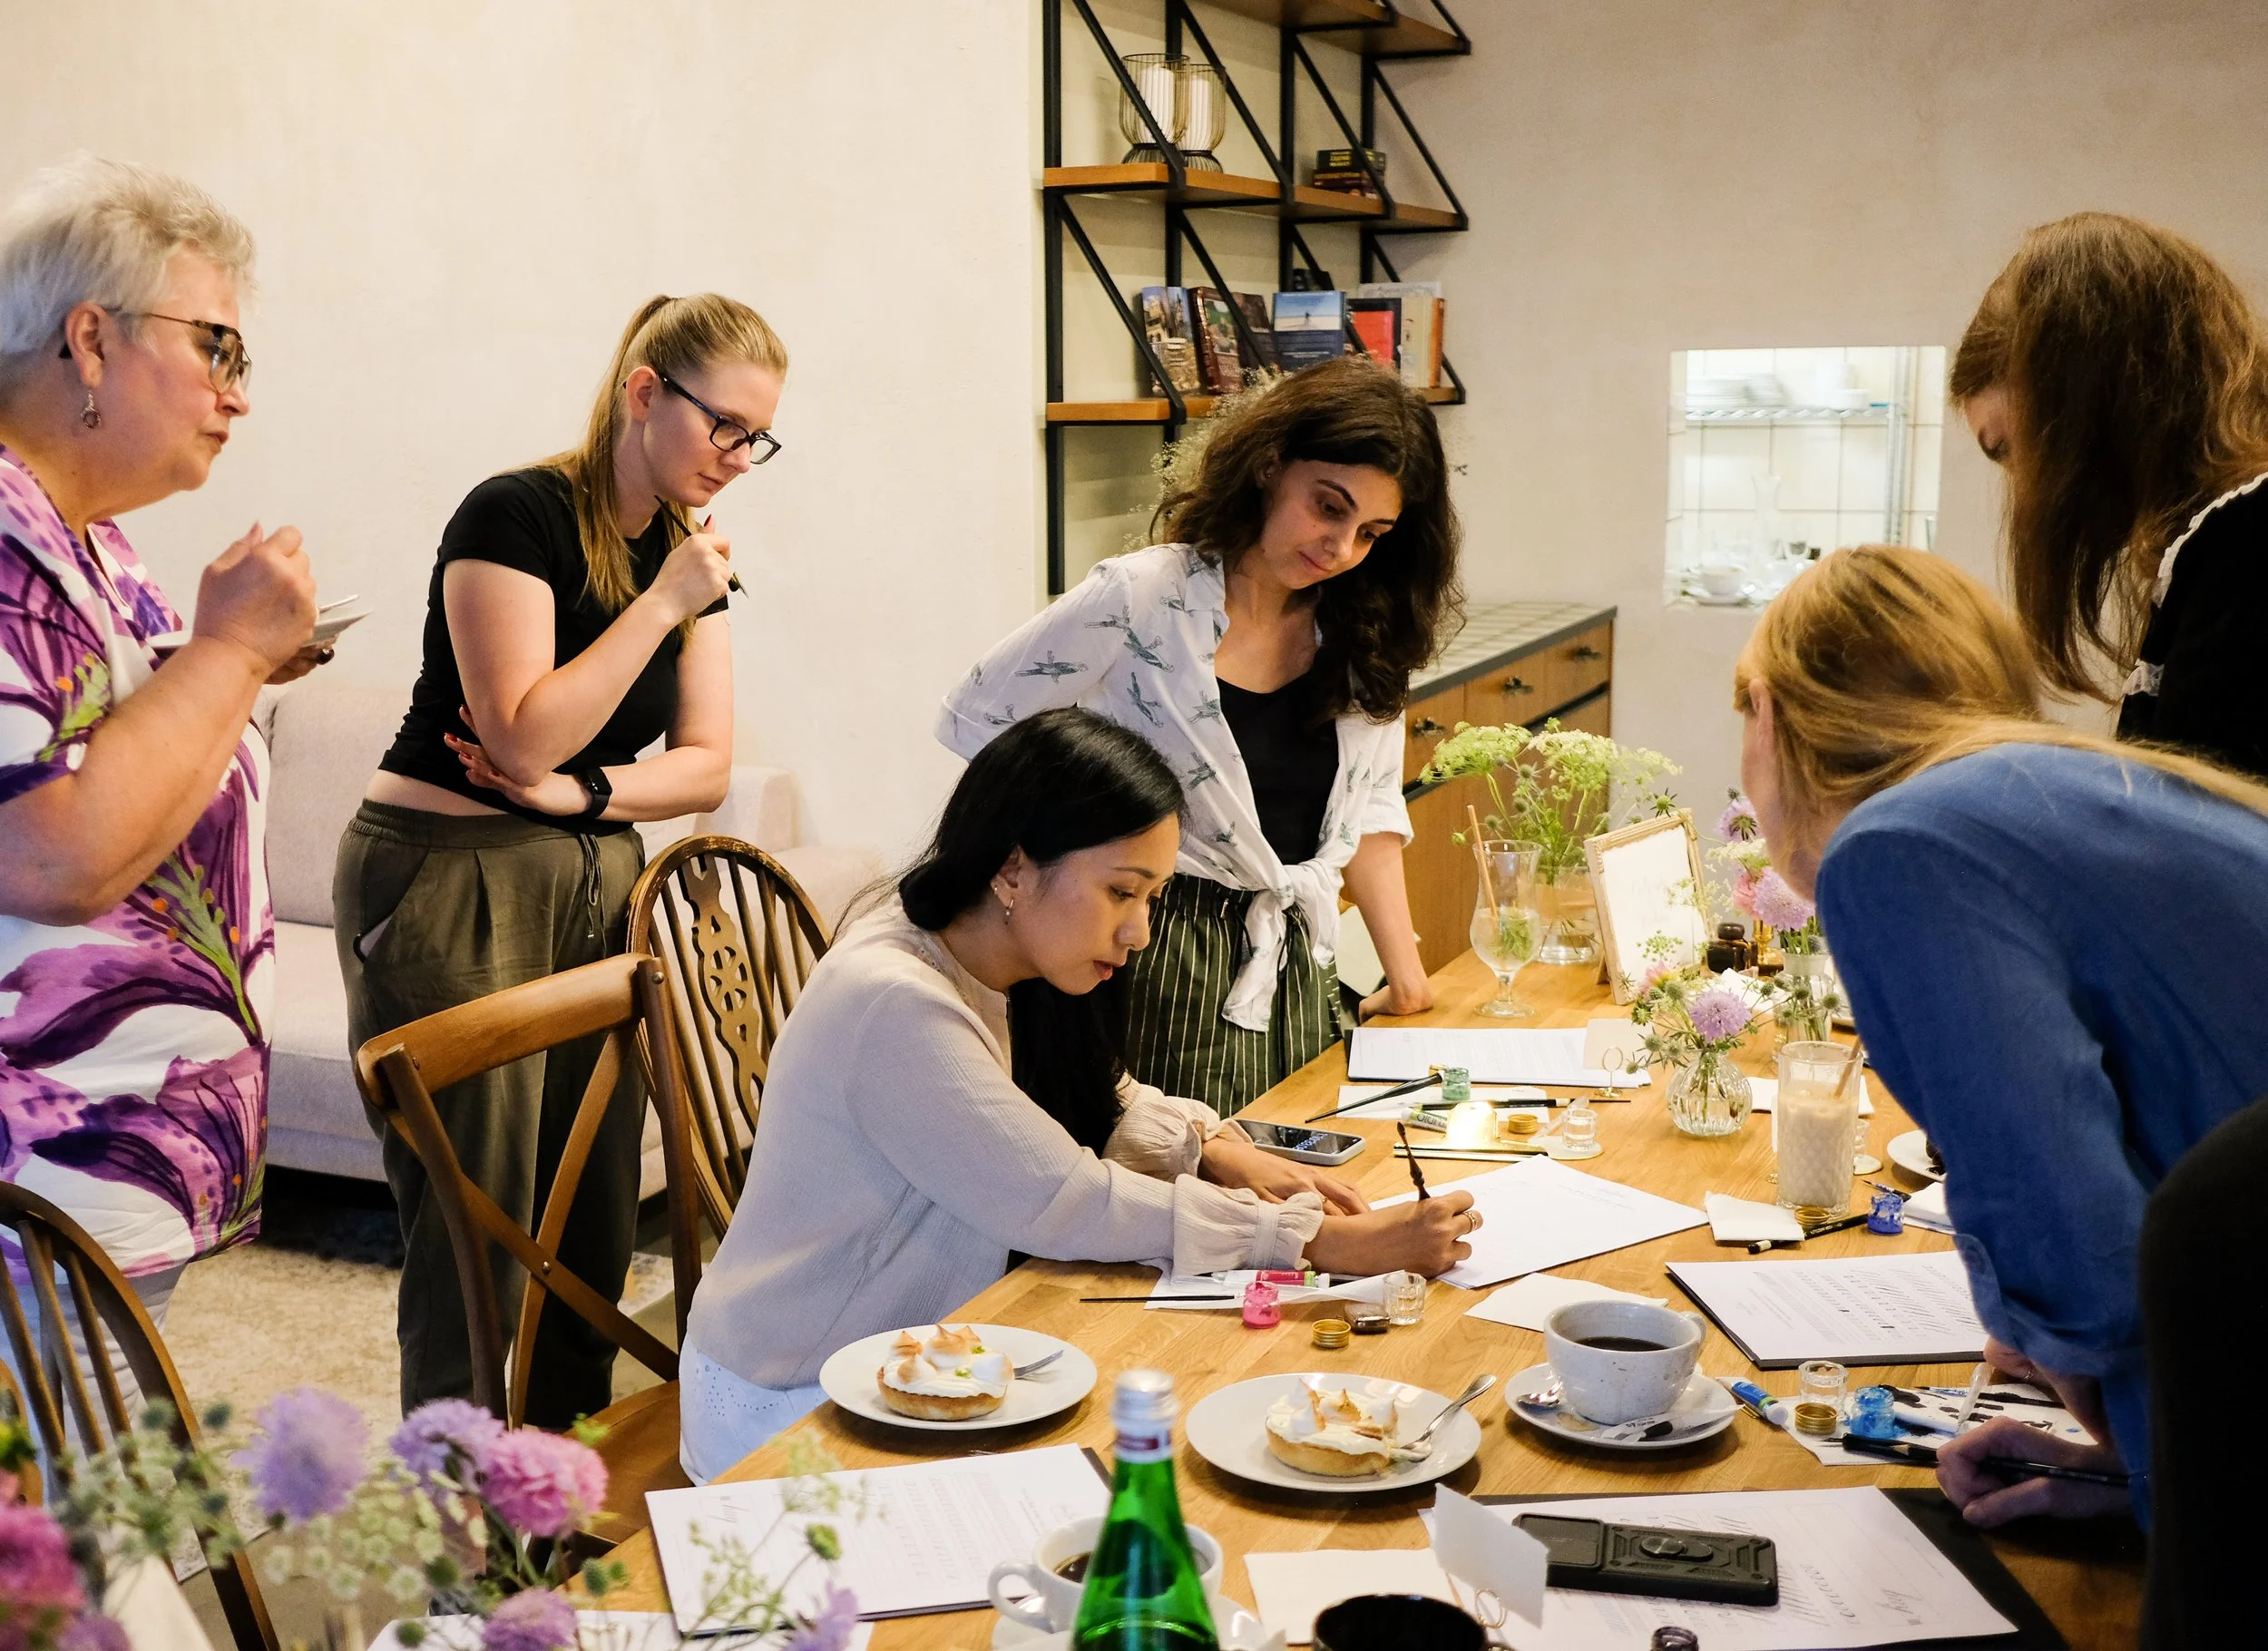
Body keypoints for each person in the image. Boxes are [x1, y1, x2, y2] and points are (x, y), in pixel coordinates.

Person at [677, 708, 1479, 1481]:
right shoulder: (895, 997)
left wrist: (1216, 1152)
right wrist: (1319, 1243)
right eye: (1122, 892)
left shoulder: (1004, 954)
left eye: (1153, 897)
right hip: (794, 1398)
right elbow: (1062, 1199)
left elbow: (1101, 1095)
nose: (1140, 930)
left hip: (927, 1366)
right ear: (1014, 868)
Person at [1731, 543, 2268, 1531]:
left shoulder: (1898, 846)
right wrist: (2131, 1476)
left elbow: (2074, 1250)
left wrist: (2056, 1337)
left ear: (1766, 713)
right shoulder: (2091, 787)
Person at [336, 293, 784, 1427]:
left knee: (588, 1223)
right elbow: (520, 731)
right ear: (644, 392)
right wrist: (663, 604)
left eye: (756, 436)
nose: (737, 457)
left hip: (593, 877)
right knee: (477, 1229)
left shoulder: (690, 553)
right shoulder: (517, 512)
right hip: (449, 874)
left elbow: (704, 768)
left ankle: (566, 1498)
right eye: (722, 426)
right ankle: (460, 1537)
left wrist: (578, 793)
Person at [0, 157, 322, 1396]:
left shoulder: (91, 540)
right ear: (90, 338)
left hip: (110, 1170)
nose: (238, 394)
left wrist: (225, 667)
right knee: (58, 1556)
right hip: (40, 1178)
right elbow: (53, 854)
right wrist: (233, 648)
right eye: (218, 348)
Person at [940, 357, 1461, 1116]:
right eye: (1327, 507)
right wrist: (1055, 871)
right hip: (1150, 947)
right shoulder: (1145, 597)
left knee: (1293, 1193)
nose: (1341, 548)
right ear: (1269, 464)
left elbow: (1372, 817)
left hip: (1294, 963)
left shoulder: (1367, 632)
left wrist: (1405, 972)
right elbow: (976, 718)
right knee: (1170, 1190)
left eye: (1371, 532)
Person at [1952, 210, 2268, 779]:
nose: (2026, 486)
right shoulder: (2220, 547)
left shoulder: (2244, 545)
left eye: (2010, 450)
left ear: (2089, 404)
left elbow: (2207, 835)